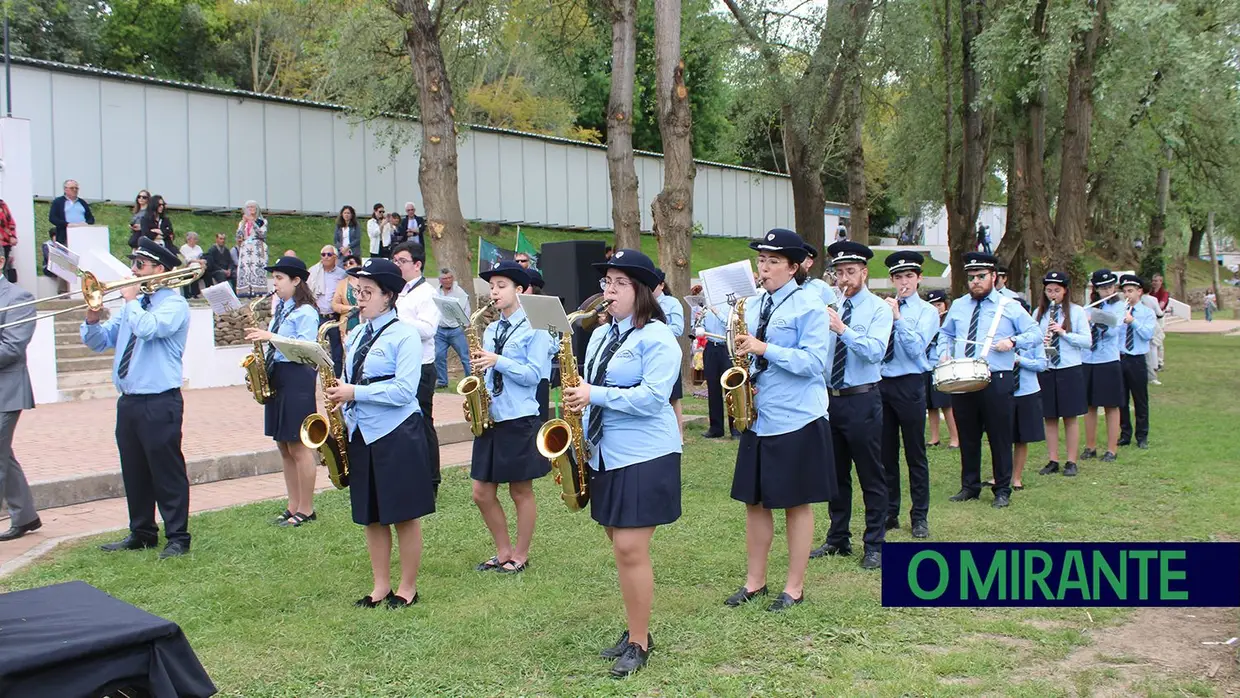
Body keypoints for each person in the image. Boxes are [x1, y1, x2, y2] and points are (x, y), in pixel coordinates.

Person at [561, 249, 681, 677]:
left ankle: (639, 641)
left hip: (646, 453)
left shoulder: (658, 337)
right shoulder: (599, 335)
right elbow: (591, 385)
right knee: (620, 544)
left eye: (618, 284)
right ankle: (636, 629)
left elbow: (652, 399)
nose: (608, 291)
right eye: (605, 283)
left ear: (642, 291)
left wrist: (594, 395)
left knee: (630, 547)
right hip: (606, 452)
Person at [726, 229, 834, 611]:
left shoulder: (809, 305)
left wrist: (764, 348)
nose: (764, 268)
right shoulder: (753, 306)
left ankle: (794, 587)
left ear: (793, 267)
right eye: (761, 260)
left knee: (795, 503)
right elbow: (747, 353)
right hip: (759, 416)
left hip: (796, 417)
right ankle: (754, 582)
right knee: (755, 503)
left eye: (773, 261)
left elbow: (814, 363)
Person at [329, 258, 434, 607]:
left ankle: (407, 588)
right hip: (362, 432)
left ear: (388, 296)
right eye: (358, 291)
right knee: (371, 515)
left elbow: (405, 390)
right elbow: (352, 378)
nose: (360, 298)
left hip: (397, 433)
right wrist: (340, 400)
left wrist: (353, 393)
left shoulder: (404, 334)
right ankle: (380, 586)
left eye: (368, 292)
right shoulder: (358, 332)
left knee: (403, 514)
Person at [83, 239, 193, 559]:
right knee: (134, 469)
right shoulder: (134, 307)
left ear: (159, 270)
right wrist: (92, 318)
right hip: (129, 401)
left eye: (139, 266)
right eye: (133, 264)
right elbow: (100, 341)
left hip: (160, 401)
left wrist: (130, 301)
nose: (132, 271)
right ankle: (142, 531)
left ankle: (178, 536)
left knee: (166, 470)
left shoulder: (173, 304)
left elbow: (149, 330)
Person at [810, 240, 892, 569]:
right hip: (831, 399)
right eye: (839, 272)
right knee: (836, 473)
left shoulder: (878, 309)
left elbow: (874, 351)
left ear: (864, 273)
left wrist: (842, 330)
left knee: (871, 473)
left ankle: (875, 542)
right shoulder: (830, 306)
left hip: (862, 398)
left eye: (851, 272)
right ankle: (837, 536)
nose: (844, 278)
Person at [936, 252, 1039, 509]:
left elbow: (1034, 332)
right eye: (971, 277)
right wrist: (943, 354)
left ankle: (1002, 489)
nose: (975, 282)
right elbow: (944, 334)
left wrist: (1013, 342)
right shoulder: (959, 305)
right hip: (963, 377)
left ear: (994, 276)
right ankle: (969, 486)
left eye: (981, 276)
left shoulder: (1010, 306)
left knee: (999, 436)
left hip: (997, 377)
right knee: (968, 435)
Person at [469, 261, 552, 574]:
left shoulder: (536, 328)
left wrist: (498, 360)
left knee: (520, 491)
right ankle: (502, 550)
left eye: (501, 286)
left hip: (520, 416)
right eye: (492, 286)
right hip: (491, 416)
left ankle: (521, 554)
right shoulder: (490, 329)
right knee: (481, 492)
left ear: (520, 290)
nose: (494, 292)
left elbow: (535, 376)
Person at [244, 256, 321, 527]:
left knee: (299, 445)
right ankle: (293, 504)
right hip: (278, 375)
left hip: (297, 377)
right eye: (273, 278)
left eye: (279, 278)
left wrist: (270, 337)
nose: (274, 283)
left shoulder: (306, 312)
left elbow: (306, 347)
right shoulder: (284, 309)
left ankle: (307, 508)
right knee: (283, 445)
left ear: (296, 280)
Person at [878, 251, 938, 539]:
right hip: (883, 383)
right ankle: (891, 511)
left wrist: (898, 319)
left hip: (911, 383)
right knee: (886, 453)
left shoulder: (927, 312)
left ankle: (920, 516)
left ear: (919, 279)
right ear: (892, 280)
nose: (904, 282)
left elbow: (916, 350)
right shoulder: (882, 307)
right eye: (899, 277)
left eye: (909, 277)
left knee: (915, 452)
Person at [392, 242, 443, 495]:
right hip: (402, 364)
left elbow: (427, 329)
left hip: (422, 366)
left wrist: (397, 319)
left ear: (417, 264)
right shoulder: (399, 291)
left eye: (401, 261)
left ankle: (432, 479)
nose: (397, 265)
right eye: (395, 261)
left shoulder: (428, 293)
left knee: (423, 422)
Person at [0, 250, 41, 543]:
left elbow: (12, 349)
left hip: (6, 391)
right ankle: (26, 515)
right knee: (4, 456)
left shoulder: (18, 297)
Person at [1033, 271, 1090, 477]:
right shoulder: (1039, 313)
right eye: (1049, 290)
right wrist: (1043, 339)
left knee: (1070, 416)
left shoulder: (1076, 312)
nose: (1052, 294)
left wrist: (1063, 333)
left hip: (1069, 368)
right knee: (1049, 417)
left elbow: (1087, 341)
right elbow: (1033, 339)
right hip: (1048, 368)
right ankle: (1053, 459)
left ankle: (1071, 461)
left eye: (1057, 290)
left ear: (1065, 291)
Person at [1082, 269, 1125, 462]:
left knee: (1111, 405)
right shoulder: (1087, 307)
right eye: (1103, 288)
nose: (1108, 291)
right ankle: (1090, 447)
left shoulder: (1118, 306)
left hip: (1108, 360)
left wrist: (1097, 318)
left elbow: (1114, 329)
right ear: (1096, 289)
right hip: (1088, 359)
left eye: (1110, 287)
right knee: (1090, 405)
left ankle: (1111, 449)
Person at [1118, 274, 1156, 449]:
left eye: (1131, 291)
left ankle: (1142, 435)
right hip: (1120, 358)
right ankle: (1125, 433)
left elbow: (1147, 335)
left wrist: (1132, 321)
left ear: (1139, 292)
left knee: (1140, 399)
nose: (1127, 294)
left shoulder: (1147, 313)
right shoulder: (1119, 310)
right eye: (1125, 291)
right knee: (1121, 399)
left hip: (1137, 359)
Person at [698, 294, 738, 438]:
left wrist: (717, 312)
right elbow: (699, 328)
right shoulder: (706, 307)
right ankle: (716, 428)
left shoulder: (730, 305)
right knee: (713, 388)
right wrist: (699, 322)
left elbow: (730, 326)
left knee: (730, 388)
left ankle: (735, 428)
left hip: (725, 347)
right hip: (710, 348)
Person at [923, 290, 959, 449]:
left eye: (939, 305)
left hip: (942, 367)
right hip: (927, 367)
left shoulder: (948, 322)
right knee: (931, 405)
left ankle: (955, 438)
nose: (937, 308)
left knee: (947, 405)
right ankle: (934, 437)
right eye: (933, 305)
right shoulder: (926, 320)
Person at [1010, 342, 1047, 490]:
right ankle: (999, 475)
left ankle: (1016, 477)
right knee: (1001, 437)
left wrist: (1019, 360)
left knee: (1022, 437)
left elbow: (1041, 365)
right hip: (1003, 391)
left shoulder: (1033, 339)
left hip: (1027, 391)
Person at [654, 270, 686, 439]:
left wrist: (656, 327)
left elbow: (678, 329)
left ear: (661, 285)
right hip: (649, 354)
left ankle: (678, 434)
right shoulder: (640, 302)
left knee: (673, 397)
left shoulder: (671, 303)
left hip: (667, 354)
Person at [309, 245, 349, 375]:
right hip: (318, 316)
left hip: (334, 317)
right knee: (314, 350)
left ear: (335, 258)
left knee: (337, 352)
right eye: (323, 254)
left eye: (329, 254)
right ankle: (311, 380)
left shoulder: (341, 274)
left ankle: (337, 381)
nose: (325, 257)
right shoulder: (314, 272)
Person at [434, 267, 472, 389]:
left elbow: (466, 309)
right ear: (440, 280)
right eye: (445, 278)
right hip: (440, 330)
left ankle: (470, 381)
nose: (448, 281)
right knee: (439, 355)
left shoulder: (460, 292)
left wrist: (464, 324)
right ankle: (442, 381)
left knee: (465, 357)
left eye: (450, 278)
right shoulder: (435, 292)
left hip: (455, 330)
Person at [235, 201, 269, 297]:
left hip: (257, 246)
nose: (250, 209)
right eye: (248, 207)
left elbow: (262, 233)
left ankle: (258, 289)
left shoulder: (262, 221)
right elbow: (238, 236)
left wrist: (252, 222)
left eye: (253, 207)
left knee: (257, 267)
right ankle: (246, 290)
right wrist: (244, 223)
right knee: (246, 268)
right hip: (246, 247)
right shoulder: (242, 222)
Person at [48, 179, 95, 246]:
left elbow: (91, 218)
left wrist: (86, 223)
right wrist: (67, 224)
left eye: (76, 188)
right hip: (65, 235)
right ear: (65, 189)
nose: (74, 190)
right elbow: (53, 218)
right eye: (72, 188)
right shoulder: (58, 202)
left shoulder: (82, 202)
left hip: (83, 234)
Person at [331, 254, 363, 341]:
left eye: (351, 263)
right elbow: (334, 305)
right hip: (348, 323)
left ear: (359, 265)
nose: (348, 265)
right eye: (345, 264)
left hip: (364, 321)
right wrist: (351, 308)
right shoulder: (341, 284)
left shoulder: (366, 282)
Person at [798, 244, 839, 308]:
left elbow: (834, 311)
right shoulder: (780, 285)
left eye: (799, 258)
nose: (794, 262)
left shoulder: (820, 287)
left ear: (809, 263)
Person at [1148, 273, 1169, 380]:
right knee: (1151, 342)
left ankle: (1160, 362)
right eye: (1153, 280)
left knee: (1158, 341)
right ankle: (1153, 362)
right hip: (1151, 319)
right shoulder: (1150, 293)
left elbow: (1161, 307)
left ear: (1161, 281)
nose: (1154, 283)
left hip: (1159, 319)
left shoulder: (1164, 293)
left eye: (1157, 281)